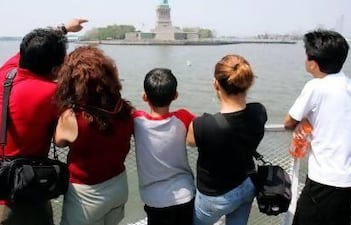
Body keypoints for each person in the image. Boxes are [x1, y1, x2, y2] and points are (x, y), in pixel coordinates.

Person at [0, 18, 87, 225]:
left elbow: (33, 46)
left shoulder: (4, 75)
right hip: (18, 194)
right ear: (54, 69)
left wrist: (63, 29)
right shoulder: (51, 94)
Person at [283, 29, 351, 225]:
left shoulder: (316, 87)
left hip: (326, 182)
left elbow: (288, 121)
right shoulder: (347, 83)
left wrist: (302, 122)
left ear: (313, 63)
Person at [54, 45, 134, 225]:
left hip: (87, 196)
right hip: (119, 186)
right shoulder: (125, 111)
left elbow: (59, 142)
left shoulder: (72, 117)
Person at [187, 55, 267, 225]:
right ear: (248, 83)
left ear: (216, 84)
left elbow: (190, 142)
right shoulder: (259, 112)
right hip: (247, 185)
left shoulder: (202, 124)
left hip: (214, 198)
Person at [132, 68, 195, 225]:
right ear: (176, 95)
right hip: (185, 195)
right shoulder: (183, 117)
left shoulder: (136, 120)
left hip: (155, 200)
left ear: (144, 96)